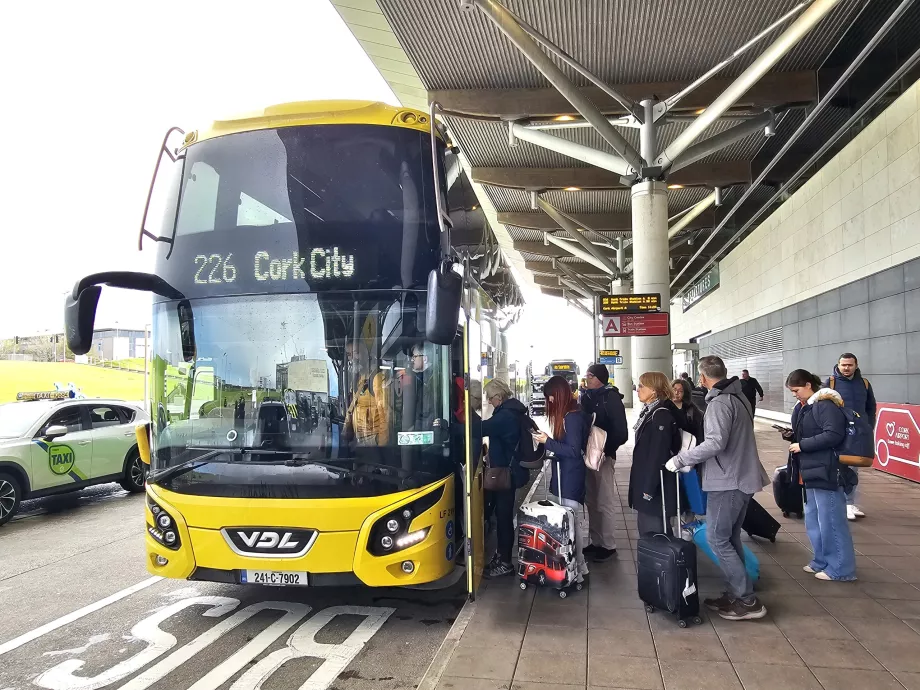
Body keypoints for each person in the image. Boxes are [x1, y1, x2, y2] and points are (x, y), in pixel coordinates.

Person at [666, 355, 768, 621]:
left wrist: (681, 459)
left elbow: (715, 443)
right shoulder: (738, 396)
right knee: (730, 538)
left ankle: (747, 600)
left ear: (702, 377)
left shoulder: (720, 402)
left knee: (716, 538)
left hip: (729, 480)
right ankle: (736, 593)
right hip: (742, 476)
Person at [786, 369, 857, 581]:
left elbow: (833, 434)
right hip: (814, 469)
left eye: (796, 390)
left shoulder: (825, 405)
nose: (794, 395)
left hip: (827, 469)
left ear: (808, 385)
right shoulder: (807, 406)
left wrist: (803, 445)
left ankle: (841, 569)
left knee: (831, 521)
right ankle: (822, 560)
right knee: (815, 519)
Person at [533, 375, 590, 584]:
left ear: (558, 394)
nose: (549, 401)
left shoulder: (572, 417)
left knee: (572, 522)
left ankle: (578, 568)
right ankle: (575, 566)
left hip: (571, 476)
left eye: (550, 396)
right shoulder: (570, 414)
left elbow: (573, 450)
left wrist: (547, 441)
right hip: (565, 474)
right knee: (569, 521)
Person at [481, 379, 530, 577]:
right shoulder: (512, 411)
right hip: (510, 472)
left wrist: (455, 423)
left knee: (503, 518)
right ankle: (501, 556)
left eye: (490, 397)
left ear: (499, 397)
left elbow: (481, 428)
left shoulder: (505, 416)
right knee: (502, 516)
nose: (489, 401)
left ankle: (505, 562)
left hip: (506, 475)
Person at [580, 363, 629, 562]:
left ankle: (608, 545)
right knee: (591, 500)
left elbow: (622, 433)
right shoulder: (586, 397)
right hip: (588, 456)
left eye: (590, 376)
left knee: (605, 500)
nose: (587, 379)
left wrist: (605, 450)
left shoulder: (611, 397)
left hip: (604, 457)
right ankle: (596, 541)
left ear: (600, 378)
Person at [628, 372, 683, 537]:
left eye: (641, 386)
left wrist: (648, 488)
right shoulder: (651, 411)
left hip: (656, 483)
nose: (637, 389)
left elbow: (658, 454)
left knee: (654, 531)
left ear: (653, 390)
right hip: (648, 479)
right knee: (649, 527)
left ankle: (658, 555)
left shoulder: (661, 415)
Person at [823, 353, 876, 521]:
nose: (846, 368)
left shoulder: (864, 383)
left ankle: (849, 503)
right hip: (837, 432)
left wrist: (868, 426)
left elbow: (871, 407)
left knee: (853, 468)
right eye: (843, 364)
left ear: (856, 365)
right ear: (838, 365)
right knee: (837, 468)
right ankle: (840, 504)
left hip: (858, 433)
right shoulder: (830, 383)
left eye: (850, 365)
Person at [671, 378, 704, 446]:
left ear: (685, 393)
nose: (676, 393)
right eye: (674, 389)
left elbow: (698, 433)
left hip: (687, 446)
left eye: (680, 391)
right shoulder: (663, 407)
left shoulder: (692, 410)